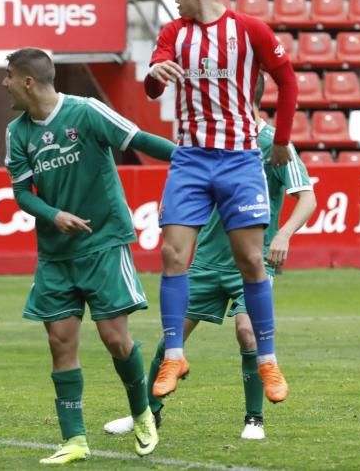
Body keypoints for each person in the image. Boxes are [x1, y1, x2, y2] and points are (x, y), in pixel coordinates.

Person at [105, 73, 316, 440]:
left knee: (247, 330)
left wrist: (283, 233)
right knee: (171, 339)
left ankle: (254, 419)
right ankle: (146, 415)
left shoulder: (270, 143)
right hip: (206, 260)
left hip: (251, 261)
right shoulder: (208, 143)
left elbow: (307, 196)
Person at [2, 48, 176, 464]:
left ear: (28, 81)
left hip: (103, 244)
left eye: (8, 76)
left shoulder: (88, 111)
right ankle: (75, 440)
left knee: (115, 339)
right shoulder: (17, 132)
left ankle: (142, 414)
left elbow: (139, 140)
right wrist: (53, 214)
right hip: (55, 255)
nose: (3, 83)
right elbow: (23, 193)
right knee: (60, 342)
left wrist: (197, 159)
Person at [145, 0, 298, 403]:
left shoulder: (250, 30)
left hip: (239, 160)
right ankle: (174, 354)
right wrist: (155, 76)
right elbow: (155, 80)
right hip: (190, 159)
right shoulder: (174, 34)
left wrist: (282, 141)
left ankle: (267, 361)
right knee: (173, 254)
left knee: (251, 261)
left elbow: (287, 81)